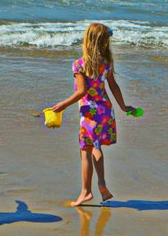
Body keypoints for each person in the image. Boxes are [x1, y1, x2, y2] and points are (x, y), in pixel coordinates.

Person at [51, 23, 139, 207]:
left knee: (85, 151)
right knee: (97, 147)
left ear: (87, 41)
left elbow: (82, 92)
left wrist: (63, 104)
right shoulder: (106, 64)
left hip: (90, 114)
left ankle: (86, 192)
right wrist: (123, 107)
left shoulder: (79, 65)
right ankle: (102, 184)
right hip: (106, 111)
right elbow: (113, 86)